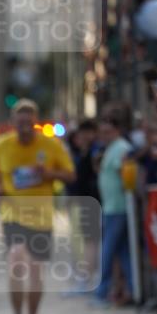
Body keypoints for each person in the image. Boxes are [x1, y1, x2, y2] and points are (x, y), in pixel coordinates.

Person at [0, 99, 76, 314]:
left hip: (41, 217)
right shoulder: (1, 146)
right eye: (20, 122)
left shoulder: (51, 145)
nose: (25, 126)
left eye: (29, 122)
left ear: (35, 123)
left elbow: (70, 175)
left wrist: (49, 174)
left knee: (36, 271)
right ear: (13, 123)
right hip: (12, 215)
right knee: (16, 262)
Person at [94, 110, 134, 306]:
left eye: (108, 131)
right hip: (111, 206)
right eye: (102, 132)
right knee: (124, 251)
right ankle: (134, 290)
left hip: (117, 207)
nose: (104, 136)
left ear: (117, 130)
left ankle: (102, 292)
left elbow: (124, 174)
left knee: (108, 251)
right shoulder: (111, 147)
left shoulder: (121, 148)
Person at [65, 119, 101, 293]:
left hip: (93, 201)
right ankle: (89, 278)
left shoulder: (95, 151)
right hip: (85, 201)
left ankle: (88, 280)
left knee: (91, 242)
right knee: (90, 241)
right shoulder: (84, 152)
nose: (82, 137)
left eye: (86, 133)